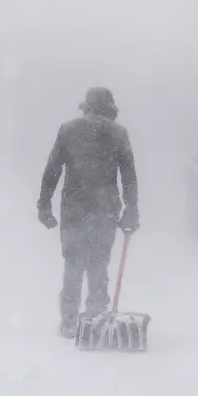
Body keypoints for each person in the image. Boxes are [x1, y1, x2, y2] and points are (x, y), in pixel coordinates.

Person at [37, 87, 139, 338]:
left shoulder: (68, 130)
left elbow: (52, 170)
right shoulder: (118, 133)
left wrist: (44, 204)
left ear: (87, 106)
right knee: (98, 262)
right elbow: (128, 176)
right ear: (110, 107)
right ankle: (95, 317)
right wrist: (131, 208)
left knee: (73, 263)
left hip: (74, 207)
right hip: (105, 208)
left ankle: (70, 321)